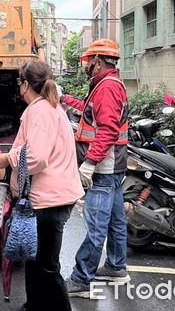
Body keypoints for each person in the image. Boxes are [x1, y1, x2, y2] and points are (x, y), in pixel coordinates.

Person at [0, 60, 84, 311]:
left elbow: (36, 157)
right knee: (34, 259)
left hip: (49, 199)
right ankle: (33, 305)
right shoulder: (50, 107)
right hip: (53, 195)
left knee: (46, 265)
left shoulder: (39, 111)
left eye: (19, 82)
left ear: (24, 84)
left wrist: (6, 158)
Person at [61, 39, 131, 299]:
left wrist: (89, 163)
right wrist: (63, 99)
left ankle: (81, 279)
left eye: (88, 62)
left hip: (104, 168)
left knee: (96, 226)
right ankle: (116, 267)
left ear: (98, 62)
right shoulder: (105, 85)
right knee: (115, 220)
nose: (86, 66)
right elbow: (89, 111)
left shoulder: (107, 88)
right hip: (113, 167)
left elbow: (108, 130)